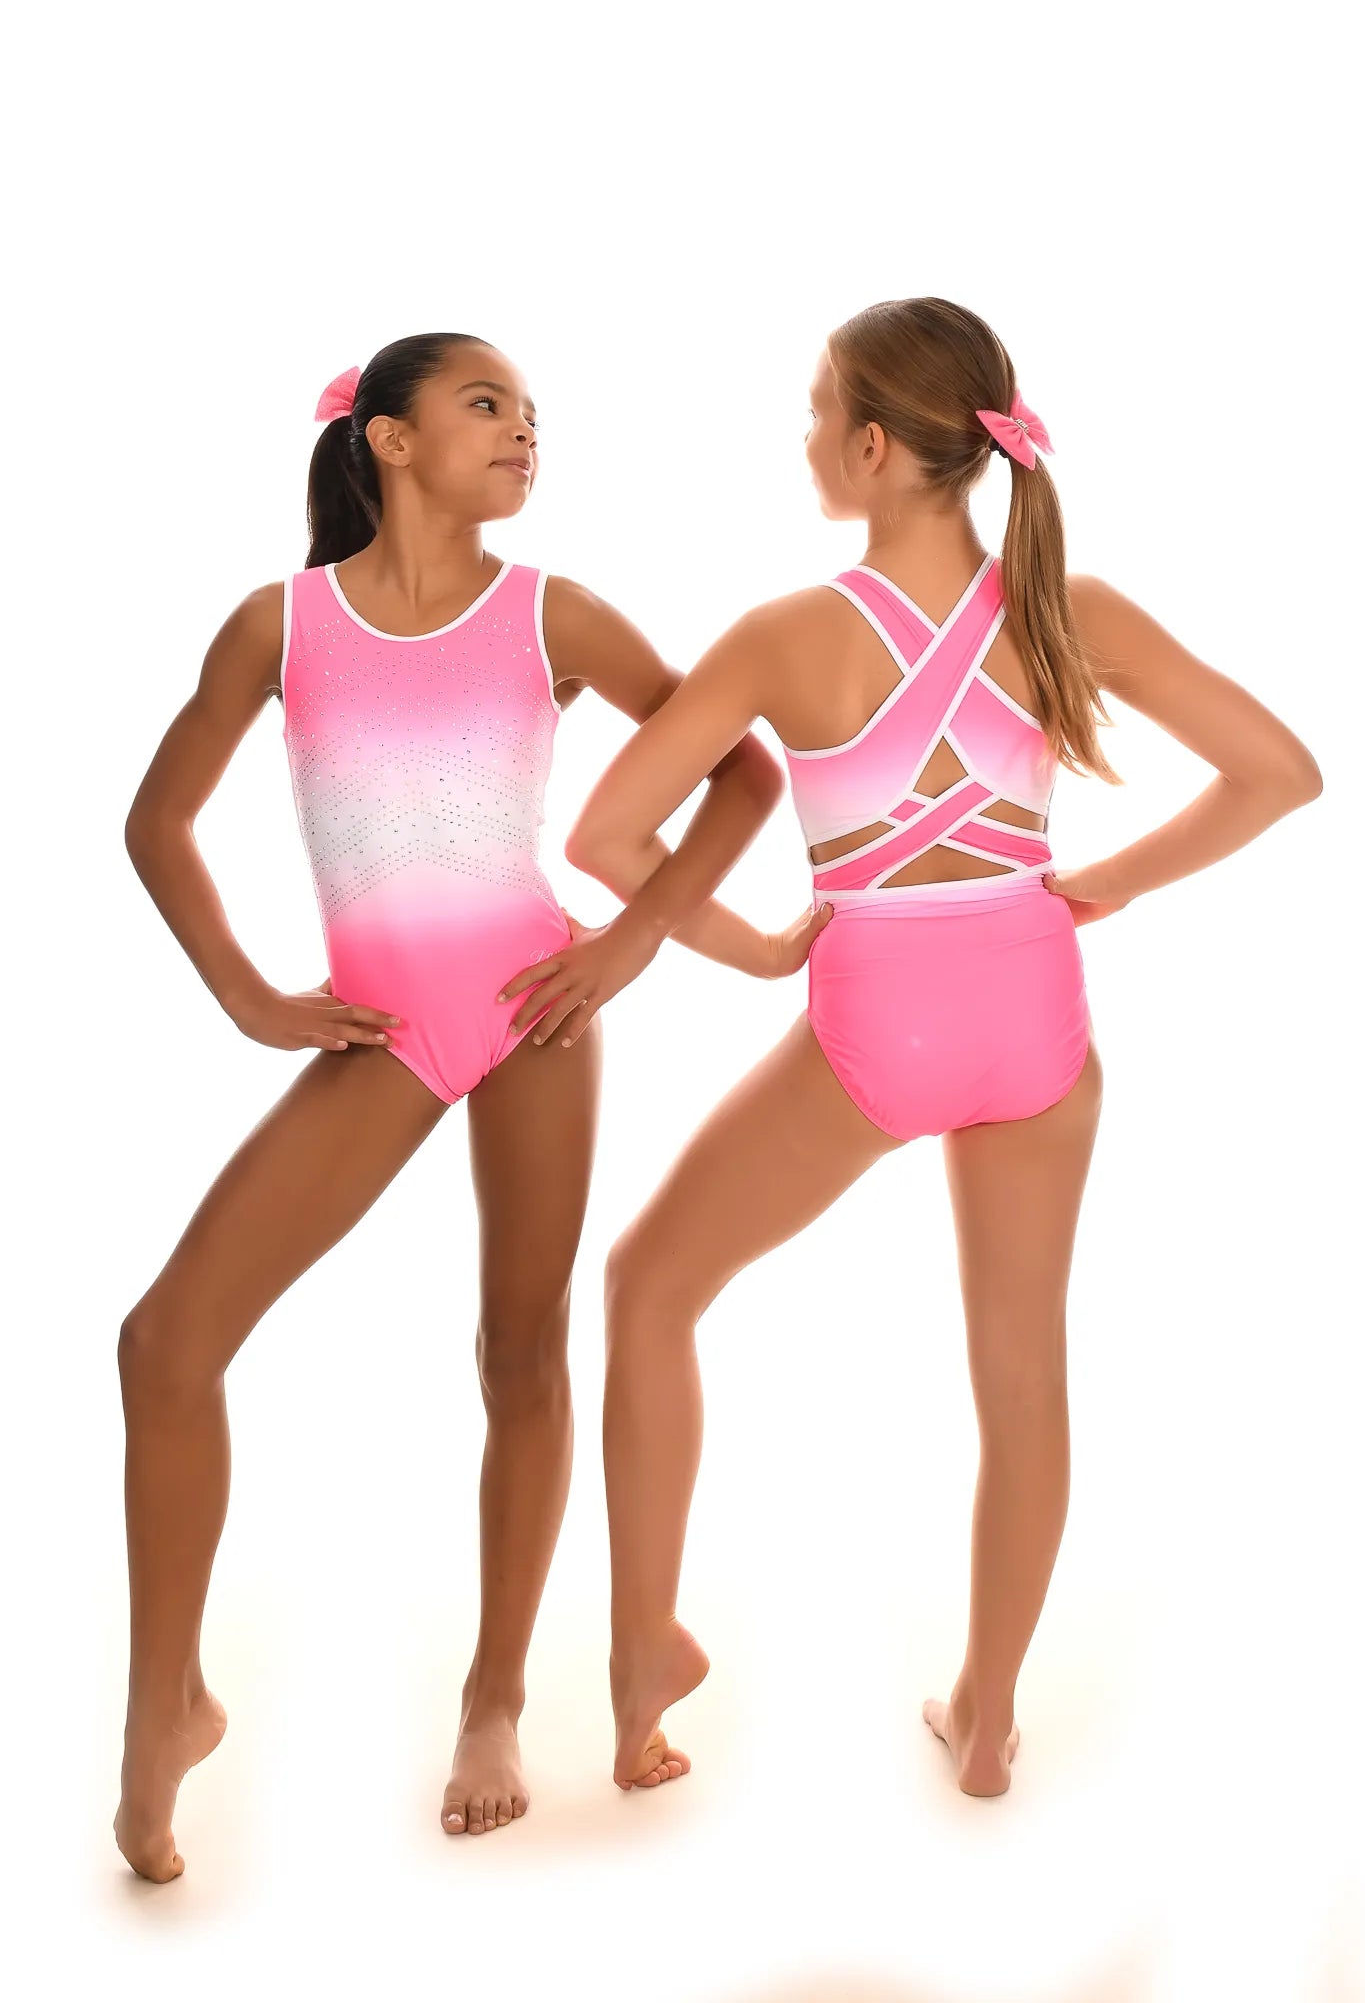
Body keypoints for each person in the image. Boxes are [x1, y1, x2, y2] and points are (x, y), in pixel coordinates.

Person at [525, 297, 1321, 1799]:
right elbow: (1280, 772)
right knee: (1022, 1377)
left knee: (648, 1287)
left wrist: (764, 948)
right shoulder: (1069, 608)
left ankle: (640, 1670)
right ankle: (990, 1714)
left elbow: (607, 837)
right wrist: (1103, 883)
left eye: (817, 413)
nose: (806, 437)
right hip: (1035, 1011)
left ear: (877, 449)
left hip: (874, 1018)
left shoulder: (785, 638)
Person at [116, 331, 823, 1879]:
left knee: (520, 1352)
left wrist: (629, 944)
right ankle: (164, 1702)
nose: (522, 431)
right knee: (164, 1344)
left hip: (530, 1015)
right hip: (382, 1032)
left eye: (530, 413)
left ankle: (494, 1703)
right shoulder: (280, 626)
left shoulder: (551, 615)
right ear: (386, 438)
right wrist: (246, 995)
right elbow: (156, 822)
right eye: (485, 404)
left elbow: (743, 775)